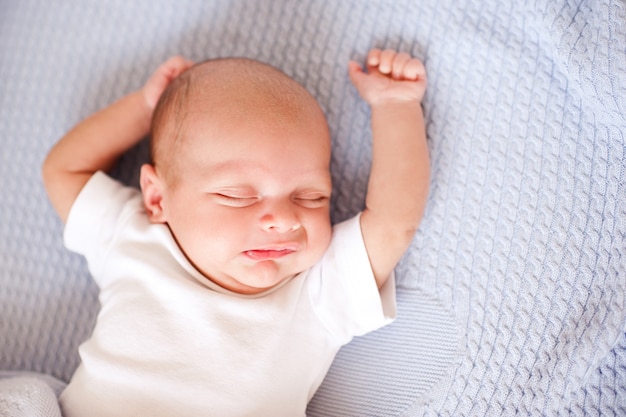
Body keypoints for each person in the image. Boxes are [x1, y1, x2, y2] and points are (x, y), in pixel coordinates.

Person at [42, 48, 430, 417]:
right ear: (158, 198)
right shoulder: (132, 234)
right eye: (238, 196)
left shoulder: (317, 291)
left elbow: (392, 222)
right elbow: (64, 170)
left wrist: (395, 107)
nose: (282, 219)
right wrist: (146, 108)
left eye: (312, 197)